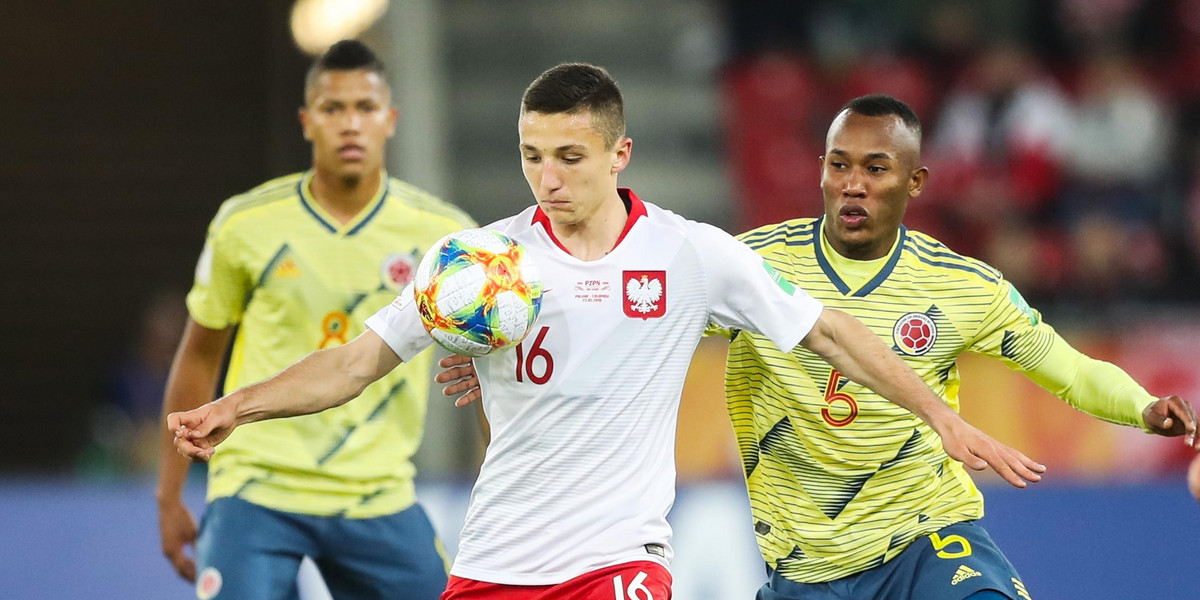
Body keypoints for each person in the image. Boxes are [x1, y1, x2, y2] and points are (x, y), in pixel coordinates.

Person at [168, 64, 1043, 600]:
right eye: (531, 156)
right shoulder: (474, 266)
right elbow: (355, 364)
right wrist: (234, 408)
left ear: (619, 155)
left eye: (570, 157)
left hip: (616, 564)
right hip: (496, 562)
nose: (547, 178)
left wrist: (941, 414)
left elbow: (835, 335)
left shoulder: (690, 256)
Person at [724, 94, 1200, 600]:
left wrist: (1141, 407)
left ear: (915, 181)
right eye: (838, 166)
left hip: (927, 537)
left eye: (875, 169)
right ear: (821, 170)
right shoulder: (749, 266)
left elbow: (1073, 372)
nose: (852, 185)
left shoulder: (962, 286)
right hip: (807, 567)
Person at [156, 40, 475, 600]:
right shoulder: (246, 224)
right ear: (307, 121)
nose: (350, 124)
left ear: (391, 120)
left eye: (365, 108)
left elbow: (484, 372)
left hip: (378, 491)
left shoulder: (445, 237)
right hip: (258, 484)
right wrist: (169, 496)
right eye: (333, 109)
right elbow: (201, 354)